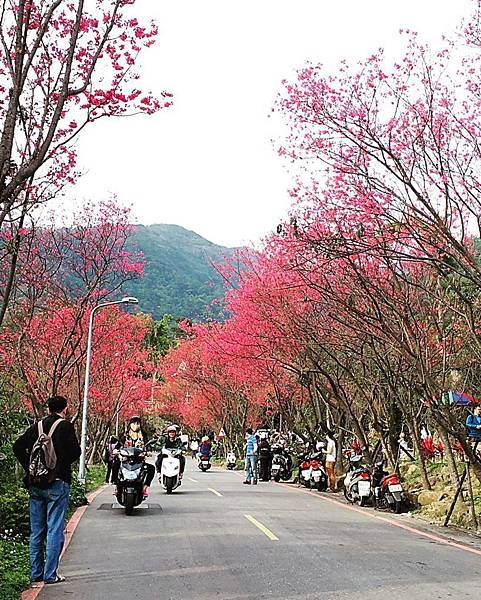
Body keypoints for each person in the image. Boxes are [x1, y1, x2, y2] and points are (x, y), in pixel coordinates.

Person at [13, 395, 81, 585]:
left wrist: (31, 468)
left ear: (48, 408)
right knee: (54, 529)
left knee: (37, 531)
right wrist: (59, 466)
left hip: (35, 483)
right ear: (65, 409)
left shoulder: (37, 426)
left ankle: (36, 573)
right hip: (58, 483)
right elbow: (76, 452)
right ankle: (50, 574)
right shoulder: (65, 426)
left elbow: (17, 446)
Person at [120, 415, 155, 498]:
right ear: (130, 424)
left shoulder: (143, 435)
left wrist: (148, 451)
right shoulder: (125, 435)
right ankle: (117, 487)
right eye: (133, 423)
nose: (135, 425)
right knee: (116, 466)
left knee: (151, 468)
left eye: (137, 423)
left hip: (139, 460)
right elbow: (119, 444)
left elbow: (148, 445)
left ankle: (145, 488)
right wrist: (117, 451)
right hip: (126, 459)